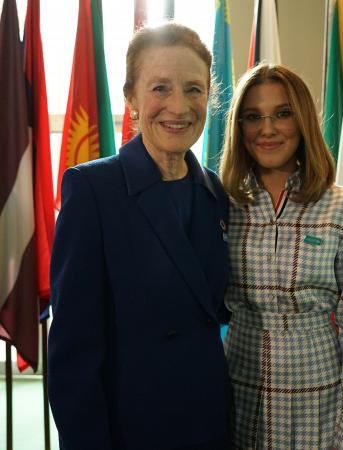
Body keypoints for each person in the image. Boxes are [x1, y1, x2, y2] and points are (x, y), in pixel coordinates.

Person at [48, 23, 232, 450]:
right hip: (133, 430)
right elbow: (73, 354)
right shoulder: (92, 190)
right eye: (160, 88)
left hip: (209, 425)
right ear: (131, 98)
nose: (179, 106)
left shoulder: (215, 194)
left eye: (193, 89)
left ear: (210, 96)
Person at [219, 63, 343, 450]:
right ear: (239, 128)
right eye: (253, 117)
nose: (268, 128)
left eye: (283, 113)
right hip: (237, 391)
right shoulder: (222, 203)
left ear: (303, 120)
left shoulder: (341, 207)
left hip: (317, 401)